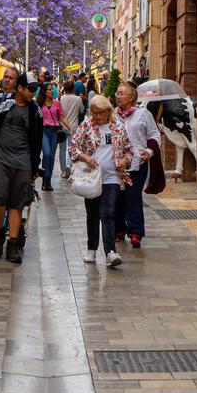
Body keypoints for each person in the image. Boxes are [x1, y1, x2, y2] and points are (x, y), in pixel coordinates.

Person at [0, 72, 42, 264]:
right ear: (20, 88)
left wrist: (34, 168)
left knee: (17, 203)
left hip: (22, 161)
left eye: (35, 90)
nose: (33, 93)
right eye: (30, 89)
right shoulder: (4, 106)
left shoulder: (35, 111)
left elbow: (37, 140)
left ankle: (13, 244)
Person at [70, 94, 131, 268]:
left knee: (108, 213)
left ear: (107, 111)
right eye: (94, 113)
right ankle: (91, 248)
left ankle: (110, 252)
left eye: (100, 113)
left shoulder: (118, 128)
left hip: (111, 177)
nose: (96, 116)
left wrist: (124, 161)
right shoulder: (86, 126)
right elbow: (73, 147)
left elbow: (128, 150)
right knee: (92, 214)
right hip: (91, 177)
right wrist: (85, 157)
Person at [114, 81, 161, 248]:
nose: (118, 96)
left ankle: (135, 232)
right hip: (117, 166)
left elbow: (155, 135)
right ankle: (118, 230)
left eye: (122, 93)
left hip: (137, 163)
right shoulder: (113, 115)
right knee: (117, 198)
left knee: (133, 197)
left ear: (132, 97)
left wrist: (150, 151)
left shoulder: (143, 114)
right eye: (117, 94)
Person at [36, 84, 63, 192]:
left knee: (51, 156)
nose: (51, 91)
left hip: (54, 131)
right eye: (48, 90)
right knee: (46, 153)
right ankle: (44, 178)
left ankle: (48, 181)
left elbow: (62, 117)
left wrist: (70, 128)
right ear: (44, 91)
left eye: (51, 90)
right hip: (43, 131)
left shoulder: (57, 103)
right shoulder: (39, 104)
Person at [58, 80, 83, 181]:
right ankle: (69, 165)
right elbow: (82, 110)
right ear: (73, 88)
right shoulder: (78, 99)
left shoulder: (61, 98)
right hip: (74, 127)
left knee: (62, 149)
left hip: (63, 126)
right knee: (72, 148)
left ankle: (63, 170)